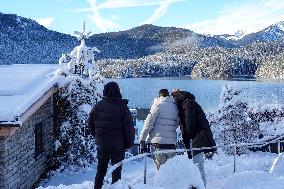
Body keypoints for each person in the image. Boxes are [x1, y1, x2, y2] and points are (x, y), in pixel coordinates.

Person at [88, 82, 135, 189]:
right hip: (118, 146)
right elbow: (129, 129)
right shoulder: (122, 107)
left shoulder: (98, 106)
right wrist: (128, 144)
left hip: (102, 145)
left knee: (100, 171)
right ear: (118, 92)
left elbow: (90, 124)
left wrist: (97, 137)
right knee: (116, 172)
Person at [171, 89, 216, 187]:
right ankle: (199, 185)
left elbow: (189, 123)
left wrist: (189, 136)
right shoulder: (187, 103)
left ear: (177, 98)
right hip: (199, 136)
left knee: (198, 163)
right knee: (197, 163)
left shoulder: (188, 104)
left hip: (200, 136)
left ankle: (201, 186)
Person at [139, 89, 179, 169]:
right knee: (172, 172)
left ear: (159, 96)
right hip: (172, 145)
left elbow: (148, 124)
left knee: (160, 172)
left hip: (158, 145)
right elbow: (178, 123)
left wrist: (142, 139)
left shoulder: (157, 105)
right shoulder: (175, 107)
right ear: (168, 96)